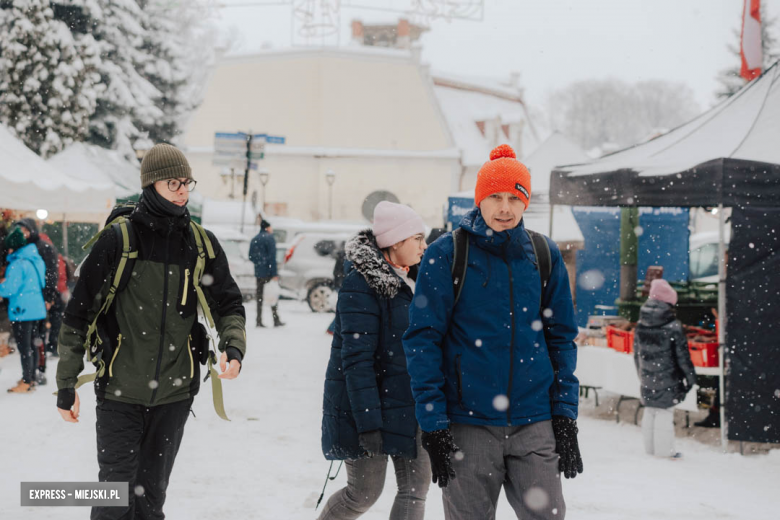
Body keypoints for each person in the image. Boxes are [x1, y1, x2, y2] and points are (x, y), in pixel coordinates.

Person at [55, 143, 247, 519]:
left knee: (150, 499)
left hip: (175, 394)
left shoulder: (199, 244)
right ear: (150, 185)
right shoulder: (119, 240)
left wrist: (234, 346)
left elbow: (228, 304)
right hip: (119, 392)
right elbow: (77, 316)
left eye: (186, 182)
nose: (182, 191)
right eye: (173, 182)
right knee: (115, 496)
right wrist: (65, 385)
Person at [403, 144, 582, 520]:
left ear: (525, 201)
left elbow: (561, 338)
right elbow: (423, 342)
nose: (505, 208)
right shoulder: (447, 254)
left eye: (514, 198)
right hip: (467, 425)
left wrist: (564, 415)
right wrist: (434, 424)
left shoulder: (543, 254)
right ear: (479, 200)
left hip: (534, 423)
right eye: (495, 197)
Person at [319, 201, 432, 520]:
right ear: (396, 242)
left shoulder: (415, 280)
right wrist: (368, 423)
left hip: (410, 404)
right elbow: (356, 360)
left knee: (415, 490)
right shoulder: (361, 284)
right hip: (366, 409)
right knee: (363, 493)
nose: (424, 247)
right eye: (418, 239)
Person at [633, 278, 697, 458]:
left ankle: (650, 449)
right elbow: (683, 358)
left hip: (647, 376)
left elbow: (636, 354)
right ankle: (664, 453)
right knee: (664, 412)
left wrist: (642, 374)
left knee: (651, 410)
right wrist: (691, 378)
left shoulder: (640, 324)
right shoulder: (673, 327)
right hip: (668, 378)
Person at [1, 226, 46, 393]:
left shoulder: (17, 264)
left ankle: (26, 381)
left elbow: (10, 289)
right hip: (36, 308)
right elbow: (41, 283)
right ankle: (31, 378)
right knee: (33, 344)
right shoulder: (36, 259)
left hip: (22, 310)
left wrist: (1, 286)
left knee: (24, 347)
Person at [15, 218, 60, 385]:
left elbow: (51, 275)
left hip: (40, 299)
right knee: (29, 339)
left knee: (38, 337)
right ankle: (31, 372)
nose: (23, 234)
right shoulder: (21, 248)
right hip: (25, 301)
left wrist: (49, 298)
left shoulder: (44, 248)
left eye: (25, 230)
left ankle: (40, 370)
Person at [249, 219, 284, 327]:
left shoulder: (254, 239)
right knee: (272, 294)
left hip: (259, 273)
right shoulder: (270, 238)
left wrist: (259, 264)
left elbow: (250, 256)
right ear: (267, 228)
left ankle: (258, 320)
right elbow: (272, 257)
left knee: (259, 297)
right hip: (268, 273)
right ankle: (275, 319)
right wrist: (274, 273)